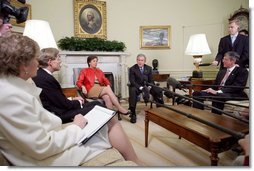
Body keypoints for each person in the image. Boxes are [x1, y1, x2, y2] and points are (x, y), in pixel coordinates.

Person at [0, 33, 140, 166]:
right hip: (45, 159)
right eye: (35, 59)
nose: (38, 63)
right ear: (24, 65)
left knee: (106, 109)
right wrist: (76, 126)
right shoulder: (10, 97)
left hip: (51, 137)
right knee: (106, 122)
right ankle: (136, 162)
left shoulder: (13, 88)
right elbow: (41, 147)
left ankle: (134, 161)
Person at [32, 48, 104, 123]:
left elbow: (56, 99)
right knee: (100, 108)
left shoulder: (41, 74)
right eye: (58, 58)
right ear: (50, 62)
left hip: (60, 109)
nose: (60, 61)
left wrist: (72, 99)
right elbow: (64, 105)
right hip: (60, 115)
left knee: (97, 103)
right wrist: (79, 102)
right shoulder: (46, 79)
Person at [128, 54, 164, 123]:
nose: (140, 62)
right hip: (137, 86)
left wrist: (149, 87)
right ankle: (133, 114)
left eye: (142, 60)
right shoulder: (132, 69)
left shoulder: (149, 68)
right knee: (132, 90)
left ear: (144, 61)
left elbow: (151, 80)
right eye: (138, 60)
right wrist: (141, 88)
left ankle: (160, 111)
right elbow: (132, 81)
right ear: (136, 60)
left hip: (147, 86)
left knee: (158, 90)